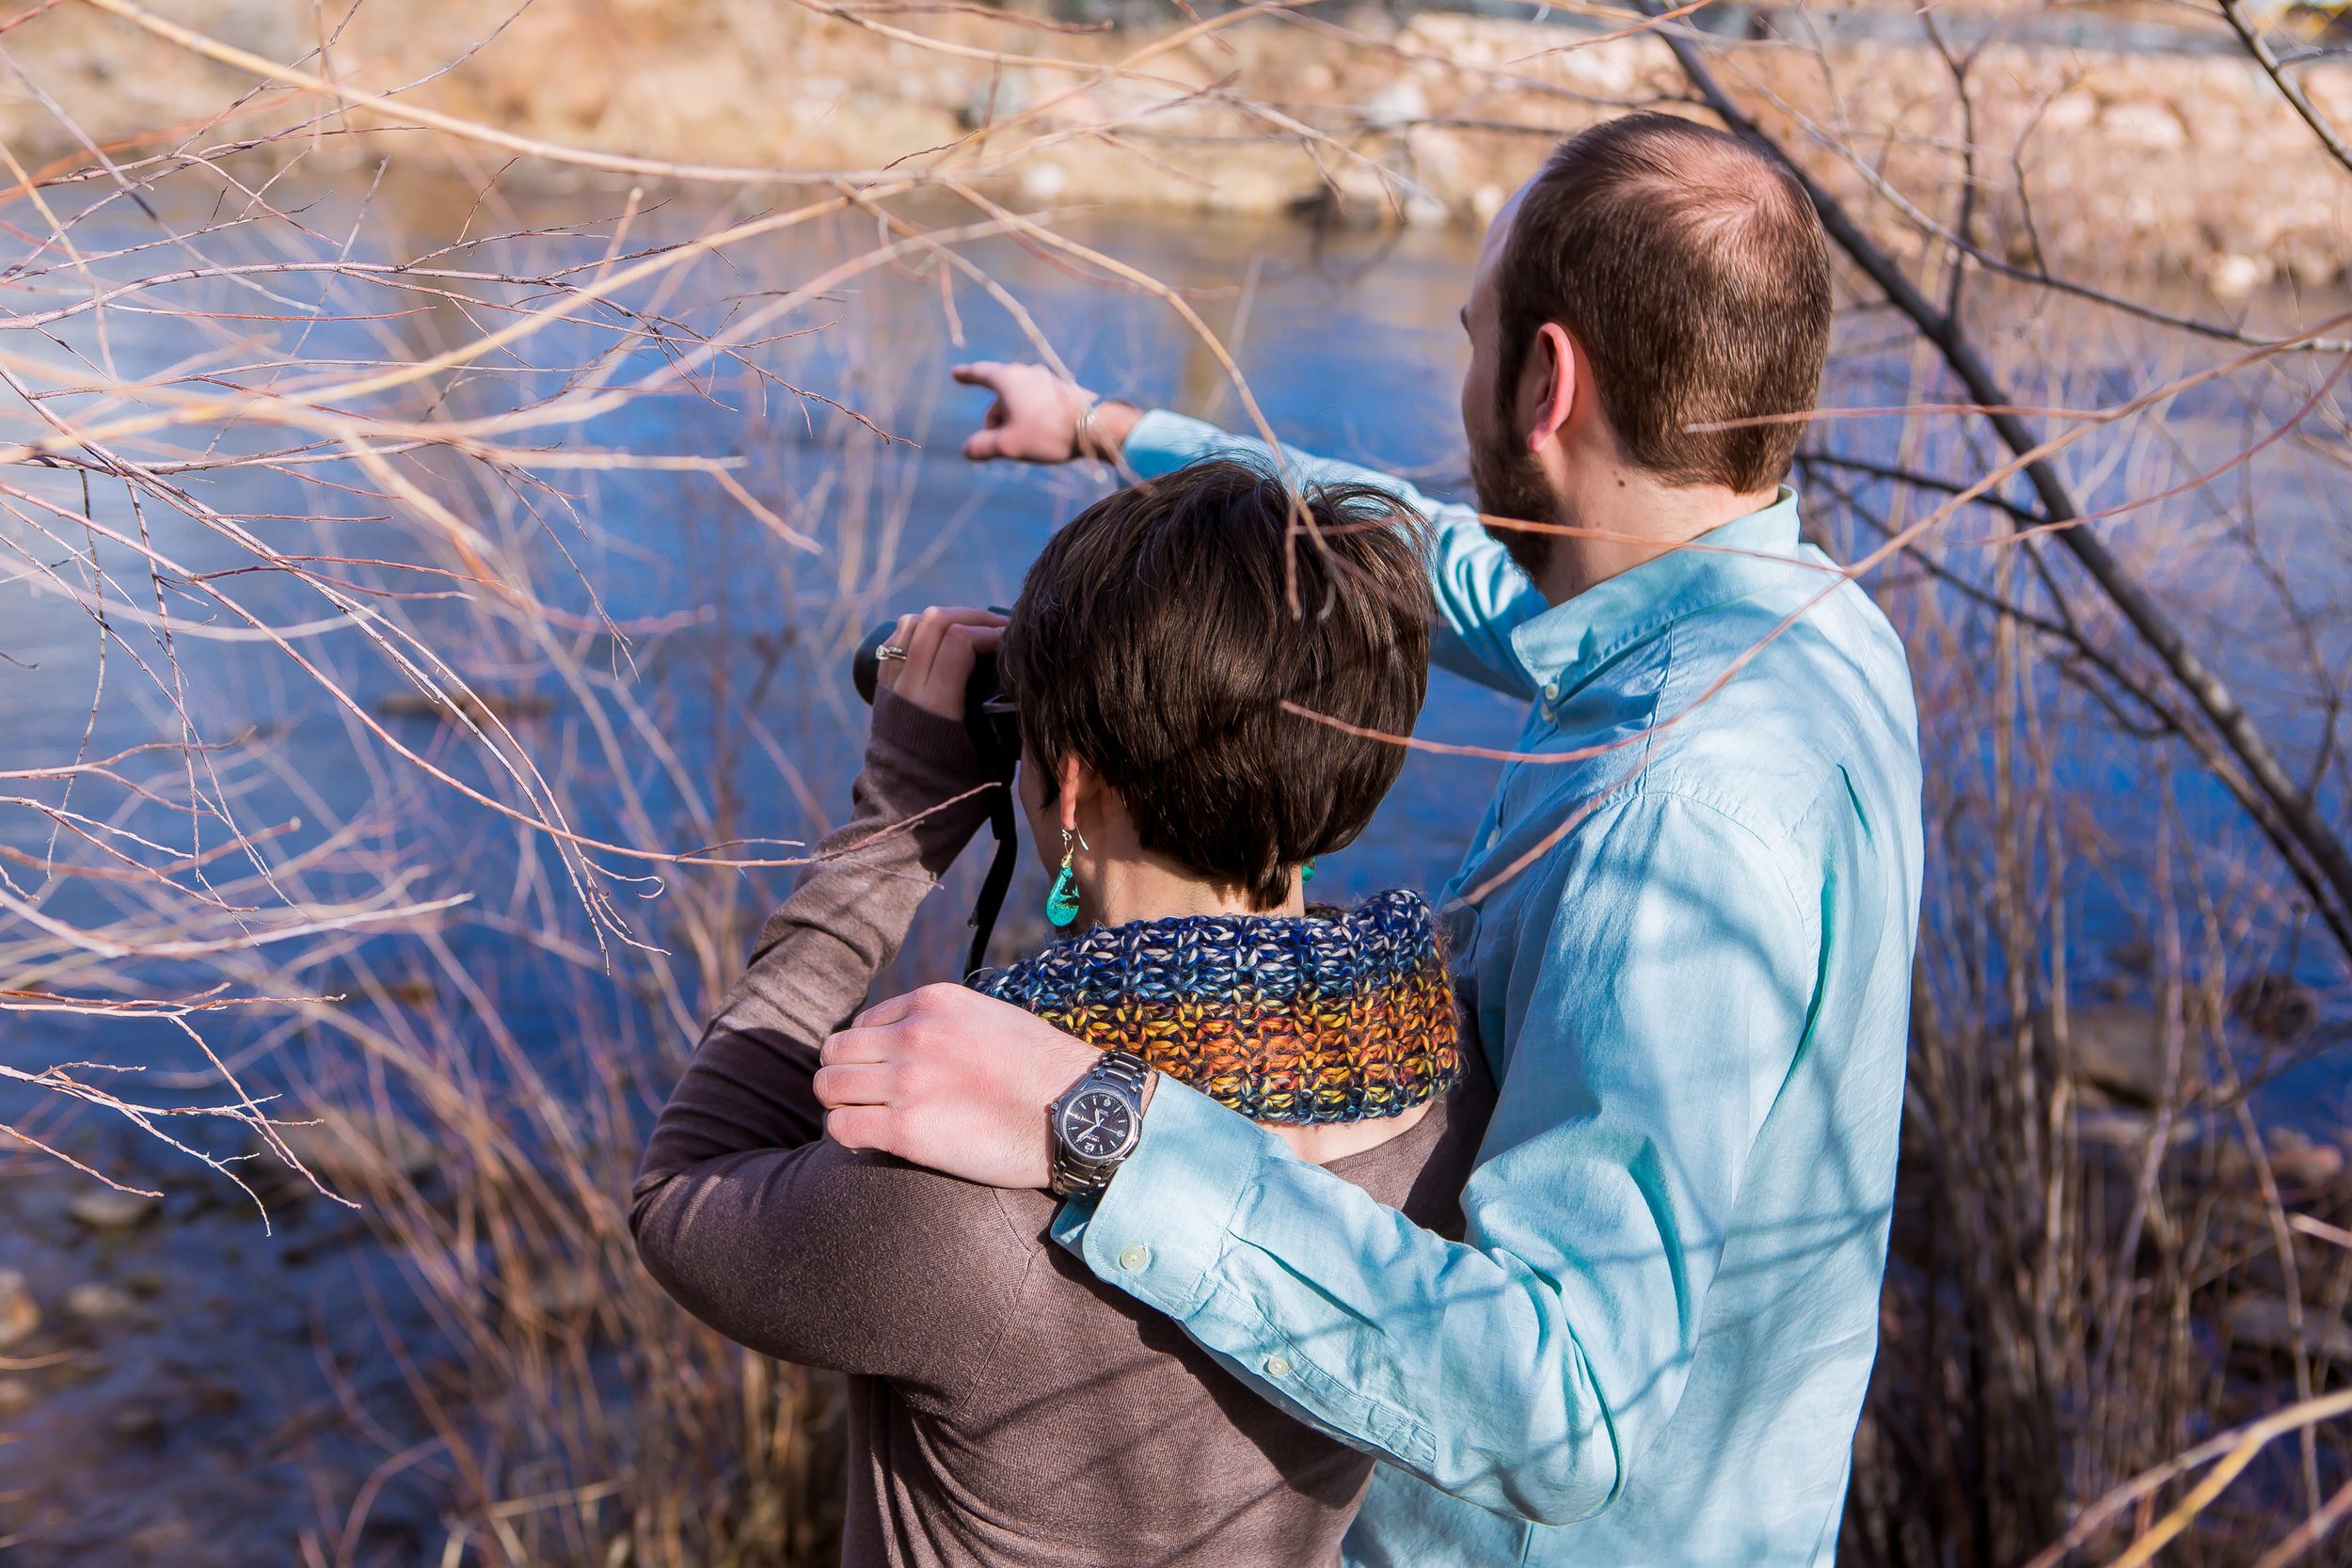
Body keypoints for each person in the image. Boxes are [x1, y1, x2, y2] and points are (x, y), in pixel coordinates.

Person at [813, 112, 1928, 1565]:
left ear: (1544, 379)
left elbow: (1566, 1403)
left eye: (1470, 337)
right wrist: (1110, 433)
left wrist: (1098, 1123)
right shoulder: (1802, 631)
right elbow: (1426, 557)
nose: (1454, 389)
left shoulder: (1677, 812)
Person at [631, 458, 1496, 1567]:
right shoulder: (1439, 1084)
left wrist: (902, 817)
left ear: (1072, 788)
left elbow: (682, 1190)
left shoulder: (957, 1202)